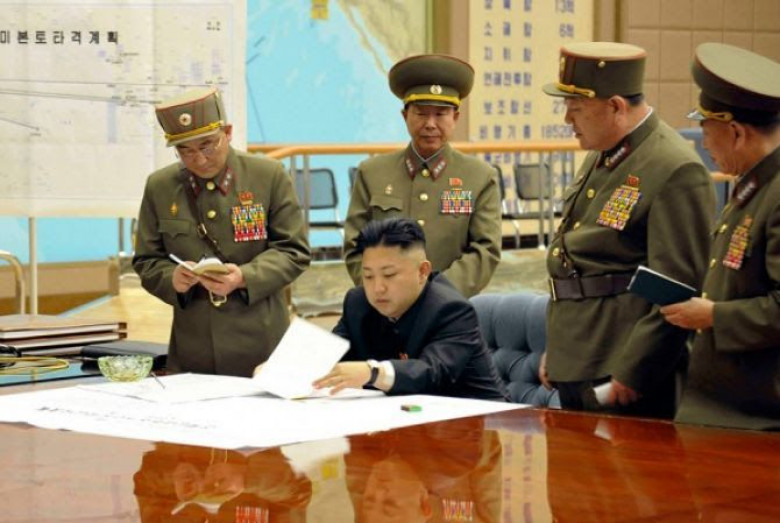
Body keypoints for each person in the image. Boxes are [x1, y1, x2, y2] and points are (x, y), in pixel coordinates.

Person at [540, 42, 715, 418]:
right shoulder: (604, 150)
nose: (568, 119)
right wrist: (558, 346)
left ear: (616, 107)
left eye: (576, 108)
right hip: (578, 354)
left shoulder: (673, 166)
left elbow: (677, 286)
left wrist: (635, 370)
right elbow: (576, 262)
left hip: (620, 368)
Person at [133, 87, 310, 377]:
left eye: (207, 146)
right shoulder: (160, 186)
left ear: (227, 133)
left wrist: (243, 277)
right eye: (185, 151)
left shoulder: (268, 176)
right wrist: (172, 278)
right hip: (193, 348)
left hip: (261, 343)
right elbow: (146, 260)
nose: (199, 160)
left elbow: (294, 251)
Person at [660, 43, 780, 430]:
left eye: (706, 130)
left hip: (758, 412)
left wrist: (714, 316)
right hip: (722, 402)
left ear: (736, 132)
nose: (705, 145)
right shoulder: (753, 185)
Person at [343, 54, 501, 298]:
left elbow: (486, 250)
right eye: (421, 113)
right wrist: (383, 291)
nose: (430, 124)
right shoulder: (372, 173)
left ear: (455, 117)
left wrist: (436, 295)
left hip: (450, 307)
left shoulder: (479, 178)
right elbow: (355, 246)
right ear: (405, 115)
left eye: (441, 114)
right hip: (384, 306)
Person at [314, 217, 506, 400]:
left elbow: (431, 372)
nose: (378, 288)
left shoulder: (452, 310)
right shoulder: (357, 303)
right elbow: (327, 358)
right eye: (368, 276)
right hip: (400, 413)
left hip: (482, 416)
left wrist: (373, 372)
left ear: (422, 272)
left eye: (389, 275)